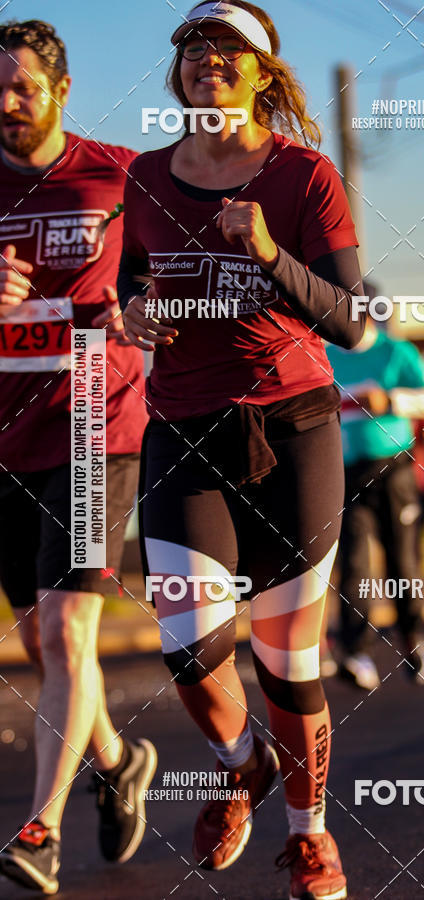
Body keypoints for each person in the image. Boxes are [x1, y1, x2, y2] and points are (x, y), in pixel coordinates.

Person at [118, 3, 365, 897]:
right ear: (179, 70)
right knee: (189, 650)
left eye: (229, 50)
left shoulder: (305, 176)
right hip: (184, 430)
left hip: (294, 431)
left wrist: (270, 254)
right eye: (194, 48)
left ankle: (310, 837)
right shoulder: (145, 177)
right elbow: (130, 288)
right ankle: (240, 766)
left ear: (263, 73)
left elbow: (351, 323)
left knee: (286, 660)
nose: (208, 60)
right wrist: (133, 315)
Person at [0, 20, 156, 895]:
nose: (6, 104)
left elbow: (167, 264)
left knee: (66, 632)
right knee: (40, 642)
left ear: (61, 89)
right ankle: (118, 759)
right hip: (5, 434)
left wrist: (140, 303)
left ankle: (39, 832)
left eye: (22, 86)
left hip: (97, 423)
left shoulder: (122, 173)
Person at [326, 317, 424, 691]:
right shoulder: (324, 354)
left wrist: (390, 400)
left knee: (402, 560)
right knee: (353, 563)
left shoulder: (395, 350)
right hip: (343, 473)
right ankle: (355, 651)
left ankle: (412, 638)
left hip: (393, 469)